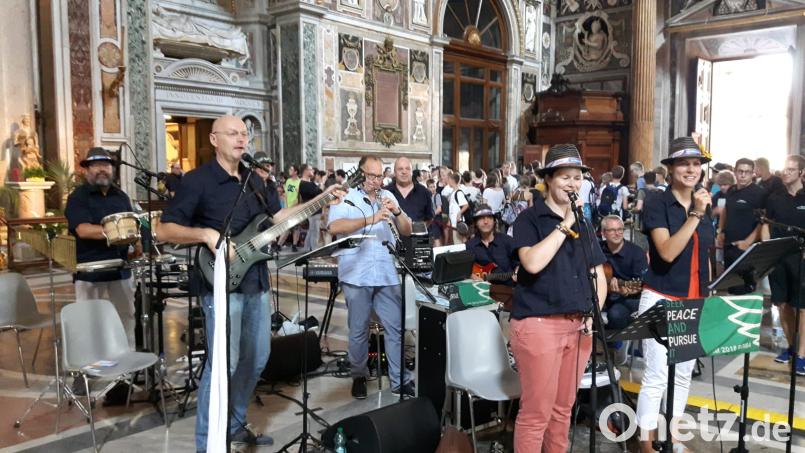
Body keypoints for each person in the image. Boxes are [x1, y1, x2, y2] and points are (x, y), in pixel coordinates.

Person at [156, 115, 343, 452]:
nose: (241, 139)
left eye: (244, 134)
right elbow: (164, 229)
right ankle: (208, 443)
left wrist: (322, 199)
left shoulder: (257, 182)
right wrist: (206, 234)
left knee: (257, 358)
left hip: (255, 280)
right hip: (220, 283)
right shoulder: (198, 181)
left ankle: (234, 423)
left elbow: (276, 219)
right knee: (223, 364)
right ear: (214, 139)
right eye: (233, 134)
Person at [509, 144, 607, 452]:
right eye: (565, 177)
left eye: (577, 178)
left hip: (578, 328)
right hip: (538, 324)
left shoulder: (584, 222)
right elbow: (533, 262)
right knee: (536, 413)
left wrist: (594, 310)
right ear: (548, 180)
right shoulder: (530, 220)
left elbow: (599, 275)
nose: (572, 184)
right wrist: (564, 226)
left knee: (563, 409)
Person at [636, 137, 714, 453]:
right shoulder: (657, 201)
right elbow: (667, 252)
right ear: (670, 169)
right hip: (662, 297)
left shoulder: (703, 203)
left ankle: (675, 438)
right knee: (655, 377)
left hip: (693, 299)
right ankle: (645, 445)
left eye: (696, 164)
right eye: (684, 163)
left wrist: (709, 293)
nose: (691, 169)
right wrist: (694, 215)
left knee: (682, 376)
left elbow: (704, 253)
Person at [327, 155, 414, 399]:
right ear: (360, 173)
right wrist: (371, 218)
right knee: (358, 330)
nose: (376, 181)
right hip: (357, 272)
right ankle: (359, 375)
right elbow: (334, 227)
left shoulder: (389, 197)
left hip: (386, 272)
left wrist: (397, 212)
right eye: (372, 175)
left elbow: (406, 230)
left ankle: (399, 380)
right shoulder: (346, 196)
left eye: (380, 176)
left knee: (395, 328)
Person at [65, 147, 139, 348]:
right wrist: (118, 233)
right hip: (90, 270)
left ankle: (127, 363)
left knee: (126, 316)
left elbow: (131, 226)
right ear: (87, 170)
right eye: (95, 165)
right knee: (88, 321)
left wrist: (136, 242)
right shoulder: (78, 197)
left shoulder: (121, 197)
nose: (101, 169)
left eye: (105, 165)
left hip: (120, 269)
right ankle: (90, 368)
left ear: (112, 169)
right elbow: (84, 230)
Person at [761, 154, 805, 374]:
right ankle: (791, 347)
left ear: (801, 173)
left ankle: (803, 354)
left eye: (791, 169)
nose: (786, 172)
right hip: (779, 258)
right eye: (785, 169)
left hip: (802, 259)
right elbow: (766, 225)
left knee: (802, 308)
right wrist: (767, 250)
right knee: (783, 305)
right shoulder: (774, 198)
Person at [599, 215, 646, 331]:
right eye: (612, 230)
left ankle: (616, 345)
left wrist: (625, 292)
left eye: (620, 229)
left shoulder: (637, 253)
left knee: (616, 314)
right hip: (602, 297)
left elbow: (642, 285)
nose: (617, 233)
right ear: (603, 233)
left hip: (631, 298)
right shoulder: (598, 250)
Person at [466, 203, 518, 285]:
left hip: (509, 289)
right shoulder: (470, 245)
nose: (486, 222)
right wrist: (473, 277)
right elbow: (466, 270)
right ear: (476, 223)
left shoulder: (507, 241)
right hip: (483, 290)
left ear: (494, 221)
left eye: (489, 218)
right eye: (481, 219)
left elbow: (518, 263)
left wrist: (517, 271)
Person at [384, 157, 433, 228]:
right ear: (394, 172)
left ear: (412, 172)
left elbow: (429, 218)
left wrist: (418, 230)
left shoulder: (424, 192)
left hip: (417, 238)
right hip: (392, 238)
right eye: (400, 169)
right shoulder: (385, 192)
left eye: (407, 169)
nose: (404, 172)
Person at [299, 164, 324, 251]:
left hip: (315, 211)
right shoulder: (304, 184)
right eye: (311, 169)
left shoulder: (309, 183)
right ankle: (314, 252)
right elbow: (319, 193)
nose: (313, 171)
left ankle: (306, 249)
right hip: (313, 211)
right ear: (305, 171)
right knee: (315, 232)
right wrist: (321, 184)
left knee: (312, 231)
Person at [281, 164, 302, 251]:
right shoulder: (288, 181)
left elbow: (299, 197)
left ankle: (294, 245)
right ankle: (279, 244)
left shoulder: (300, 182)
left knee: (296, 227)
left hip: (296, 207)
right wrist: (286, 206)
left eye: (291, 169)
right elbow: (286, 194)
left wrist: (292, 207)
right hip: (288, 207)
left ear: (296, 172)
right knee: (287, 227)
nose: (289, 171)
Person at [447, 172, 469, 244]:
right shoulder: (453, 192)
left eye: (449, 180)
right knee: (457, 241)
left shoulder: (458, 193)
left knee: (458, 242)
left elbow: (466, 205)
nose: (448, 182)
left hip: (458, 222)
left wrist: (459, 213)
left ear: (453, 181)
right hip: (454, 222)